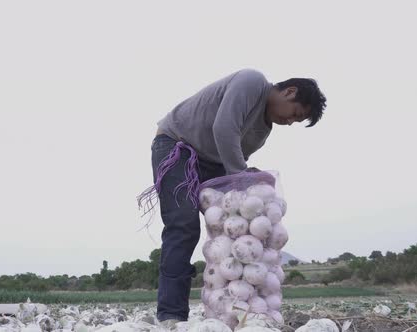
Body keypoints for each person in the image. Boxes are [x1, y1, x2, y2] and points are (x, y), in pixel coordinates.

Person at [137, 68, 327, 327]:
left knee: (236, 229)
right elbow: (224, 129)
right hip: (177, 147)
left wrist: (250, 186)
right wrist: (241, 178)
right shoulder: (252, 82)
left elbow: (234, 161)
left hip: (212, 164)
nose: (291, 122)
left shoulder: (263, 129)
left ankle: (237, 310)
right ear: (289, 91)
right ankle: (171, 315)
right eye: (295, 114)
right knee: (183, 225)